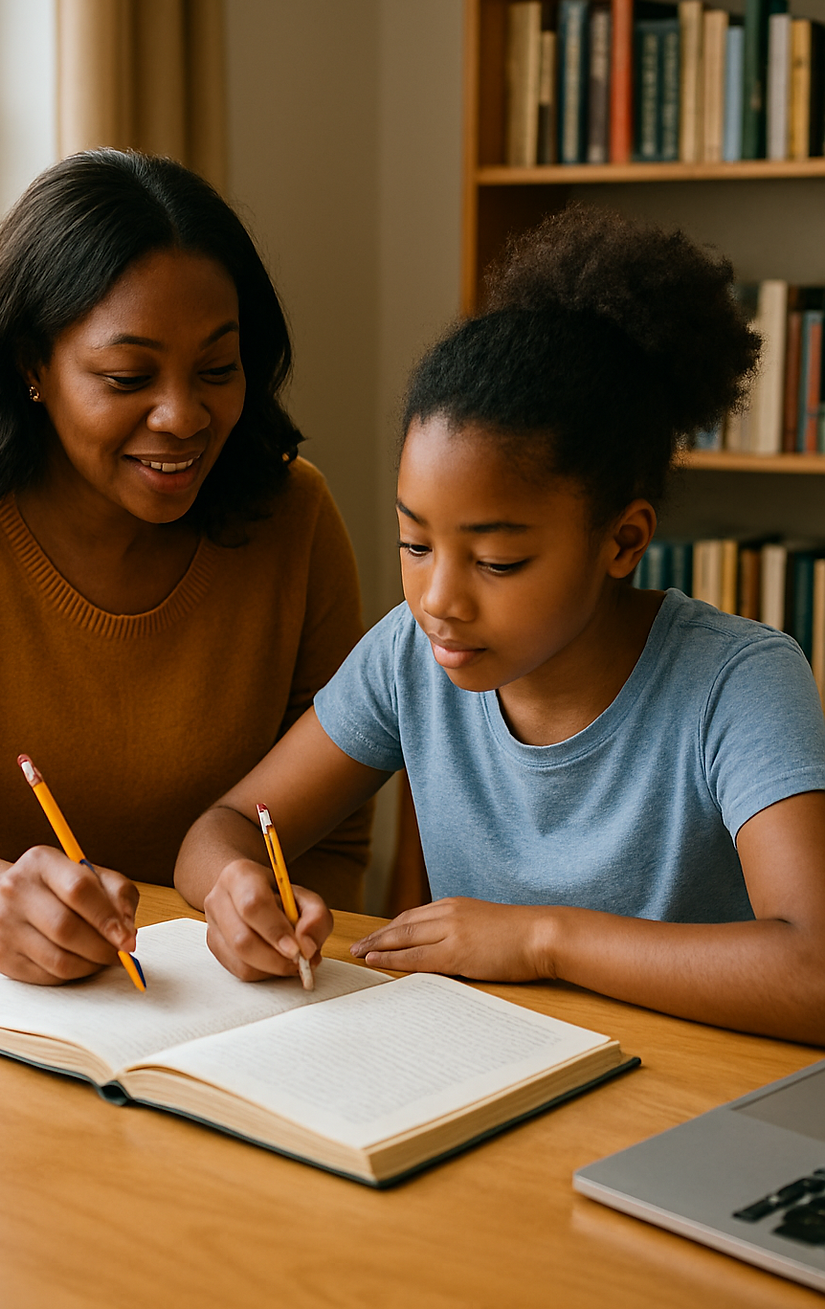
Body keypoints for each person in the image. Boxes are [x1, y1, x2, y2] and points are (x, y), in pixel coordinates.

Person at [175, 205, 825, 1045]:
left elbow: (811, 973)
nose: (439, 598)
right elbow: (220, 829)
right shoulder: (412, 654)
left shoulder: (739, 683)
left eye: (498, 562)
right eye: (414, 543)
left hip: (686, 1108)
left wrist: (540, 938)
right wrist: (235, 888)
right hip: (489, 1073)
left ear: (622, 540)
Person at [0, 150, 370, 982]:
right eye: (127, 376)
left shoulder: (292, 516)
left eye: (218, 370)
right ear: (30, 366)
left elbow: (332, 834)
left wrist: (278, 928)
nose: (183, 416)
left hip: (220, 1009)